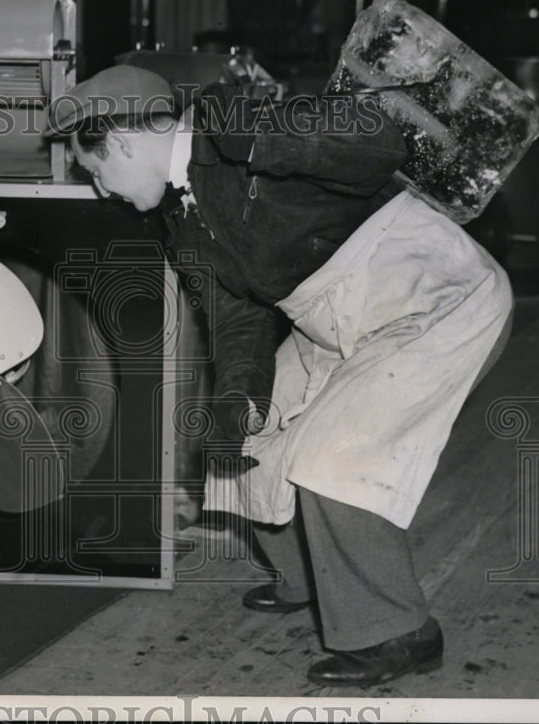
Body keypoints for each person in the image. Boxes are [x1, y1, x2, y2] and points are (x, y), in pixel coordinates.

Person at [44, 65, 513, 687]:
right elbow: (238, 322)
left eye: (94, 170)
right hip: (339, 325)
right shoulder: (180, 224)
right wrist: (239, 399)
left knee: (334, 460)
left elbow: (382, 142)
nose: (100, 188)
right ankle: (308, 579)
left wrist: (259, 132)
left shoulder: (237, 126)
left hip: (434, 298)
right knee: (245, 445)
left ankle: (398, 631)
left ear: (125, 143)